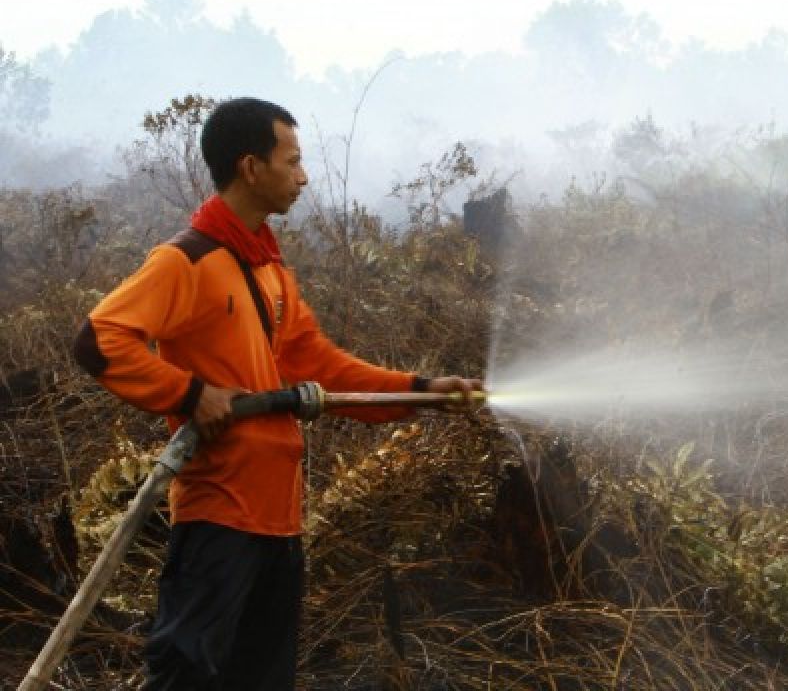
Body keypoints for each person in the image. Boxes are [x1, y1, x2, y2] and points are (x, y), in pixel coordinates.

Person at [71, 97, 483, 689]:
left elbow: (320, 366)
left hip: (279, 523)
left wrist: (421, 391)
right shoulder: (187, 261)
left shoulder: (269, 271)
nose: (303, 176)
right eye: (291, 161)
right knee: (187, 672)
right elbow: (98, 339)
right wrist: (189, 394)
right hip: (220, 518)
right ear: (249, 167)